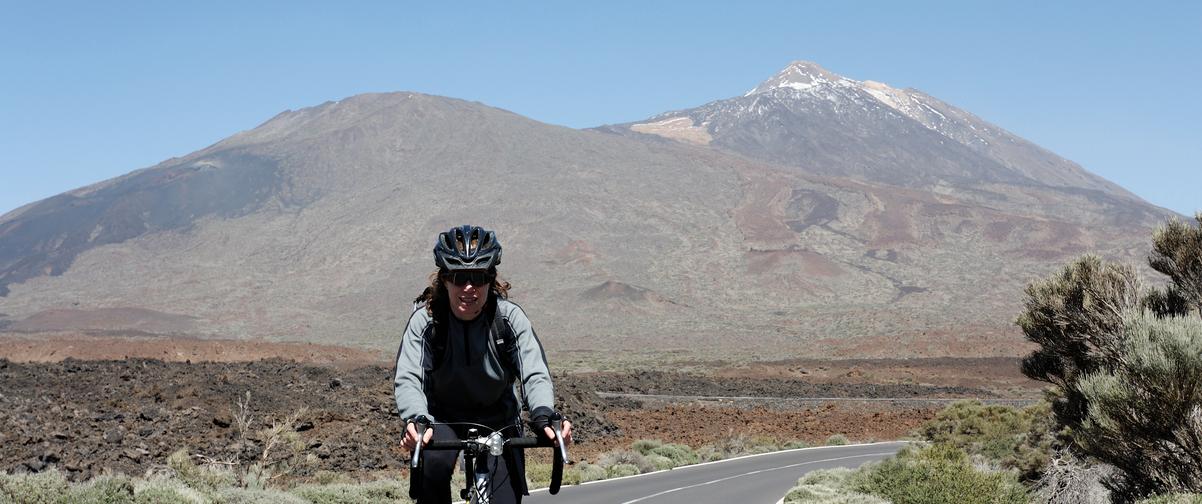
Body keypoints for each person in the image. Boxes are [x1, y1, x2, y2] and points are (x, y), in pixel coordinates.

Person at [394, 224, 573, 504]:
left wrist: (543, 416)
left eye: (478, 277)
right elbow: (408, 378)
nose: (468, 287)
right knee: (434, 465)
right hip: (441, 418)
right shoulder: (426, 322)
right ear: (444, 279)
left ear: (491, 279)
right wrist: (415, 419)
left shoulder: (509, 320)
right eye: (458, 276)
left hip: (498, 419)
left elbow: (534, 373)